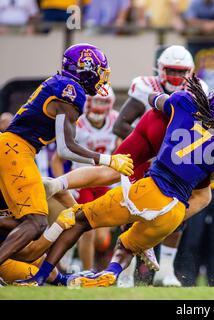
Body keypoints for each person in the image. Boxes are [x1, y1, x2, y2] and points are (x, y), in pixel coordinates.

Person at [15, 78, 214, 287]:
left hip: (151, 189)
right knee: (126, 246)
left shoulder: (185, 101)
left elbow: (153, 99)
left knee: (79, 220)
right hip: (175, 212)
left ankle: (40, 277)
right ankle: (112, 272)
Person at [0, 43, 133, 273]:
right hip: (15, 150)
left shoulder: (62, 84)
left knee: (20, 221)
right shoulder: (70, 91)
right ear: (86, 69)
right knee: (36, 222)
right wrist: (107, 160)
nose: (102, 79)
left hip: (14, 149)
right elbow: (66, 149)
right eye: (100, 73)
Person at [112, 44, 208, 286]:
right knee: (131, 211)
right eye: (171, 71)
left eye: (181, 71)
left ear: (191, 71)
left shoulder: (200, 90)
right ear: (160, 70)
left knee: (176, 212)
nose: (176, 77)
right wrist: (148, 143)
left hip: (175, 161)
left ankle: (166, 271)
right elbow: (120, 125)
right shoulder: (145, 86)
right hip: (145, 159)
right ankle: (125, 271)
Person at [51, 87, 119, 271]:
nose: (99, 106)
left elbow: (120, 151)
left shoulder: (116, 121)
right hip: (83, 183)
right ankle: (86, 273)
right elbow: (56, 159)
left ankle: (77, 258)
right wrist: (64, 185)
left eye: (103, 102)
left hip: (105, 182)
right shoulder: (78, 122)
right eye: (96, 101)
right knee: (86, 231)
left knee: (101, 240)